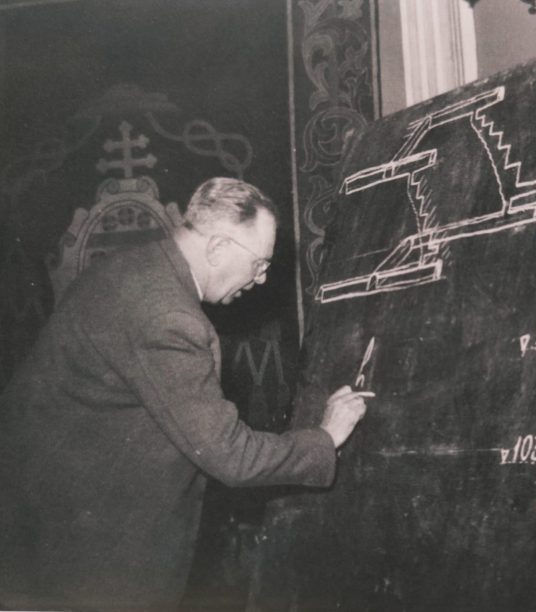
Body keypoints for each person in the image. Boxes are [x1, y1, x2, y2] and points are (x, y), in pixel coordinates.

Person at [0, 177, 369, 611]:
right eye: (259, 263)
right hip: (87, 559)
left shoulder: (135, 268)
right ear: (218, 248)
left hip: (46, 528)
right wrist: (325, 438)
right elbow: (230, 456)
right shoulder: (168, 316)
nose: (262, 278)